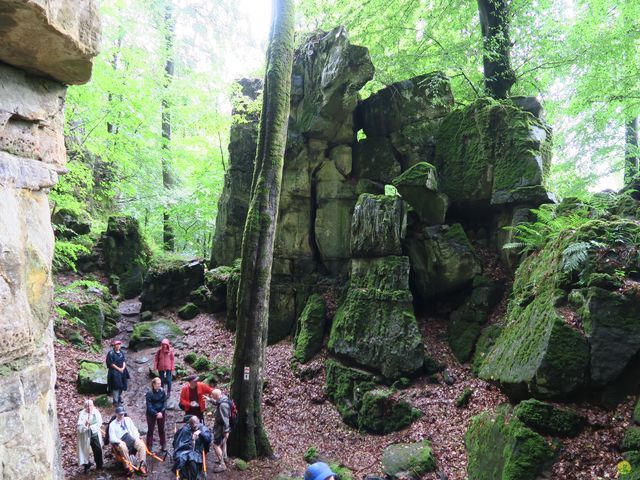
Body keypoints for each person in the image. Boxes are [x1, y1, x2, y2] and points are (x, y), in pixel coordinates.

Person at [108, 406, 147, 476]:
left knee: (141, 445)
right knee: (123, 446)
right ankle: (128, 466)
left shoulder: (128, 420)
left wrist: (137, 438)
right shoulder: (112, 424)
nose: (121, 416)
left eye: (122, 414)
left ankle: (142, 465)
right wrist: (119, 441)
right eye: (120, 414)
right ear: (116, 414)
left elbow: (134, 430)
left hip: (130, 438)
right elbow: (112, 438)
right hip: (120, 441)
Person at [173, 415, 212, 479]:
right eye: (193, 426)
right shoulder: (185, 429)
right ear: (189, 424)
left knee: (192, 460)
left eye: (196, 426)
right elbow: (177, 440)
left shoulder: (203, 429)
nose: (195, 428)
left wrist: (200, 433)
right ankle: (184, 476)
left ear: (198, 422)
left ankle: (194, 477)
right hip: (183, 449)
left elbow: (208, 439)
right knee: (180, 458)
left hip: (196, 450)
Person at [76, 399, 103, 473]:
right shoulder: (81, 414)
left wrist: (91, 425)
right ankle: (86, 465)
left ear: (93, 406)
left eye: (90, 406)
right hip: (85, 436)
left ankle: (99, 465)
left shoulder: (96, 412)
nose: (89, 407)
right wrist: (85, 424)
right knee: (84, 450)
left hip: (94, 434)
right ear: (85, 407)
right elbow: (79, 428)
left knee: (97, 449)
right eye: (87, 406)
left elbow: (100, 422)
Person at [209, 388, 231, 473]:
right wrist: (210, 400)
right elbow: (217, 402)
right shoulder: (223, 399)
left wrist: (226, 430)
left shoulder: (223, 405)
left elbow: (226, 419)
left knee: (215, 445)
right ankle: (224, 459)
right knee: (222, 443)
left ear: (217, 396)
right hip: (221, 427)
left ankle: (222, 464)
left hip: (221, 428)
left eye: (212, 396)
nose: (212, 396)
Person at [146, 377, 167, 452]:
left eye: (160, 383)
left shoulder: (162, 391)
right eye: (158, 383)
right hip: (151, 413)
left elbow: (165, 402)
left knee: (161, 429)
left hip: (161, 412)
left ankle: (163, 444)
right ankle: (149, 446)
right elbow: (149, 406)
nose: (159, 385)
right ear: (154, 384)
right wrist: (155, 413)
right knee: (150, 429)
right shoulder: (149, 393)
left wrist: (161, 412)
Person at [106, 340, 129, 405]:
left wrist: (123, 368)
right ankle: (115, 400)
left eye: (119, 344)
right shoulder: (111, 353)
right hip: (114, 372)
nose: (118, 345)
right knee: (115, 386)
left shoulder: (121, 352)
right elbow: (111, 364)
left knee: (122, 385)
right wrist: (119, 369)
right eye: (117, 344)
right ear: (114, 345)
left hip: (122, 371)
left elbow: (124, 361)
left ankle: (119, 397)